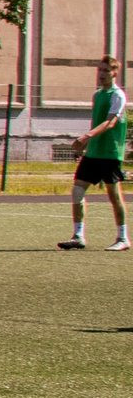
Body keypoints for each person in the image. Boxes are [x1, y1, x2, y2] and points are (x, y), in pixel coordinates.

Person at [61, 55, 128, 251]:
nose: (102, 74)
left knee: (114, 195)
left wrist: (86, 136)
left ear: (114, 73)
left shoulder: (118, 95)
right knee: (77, 191)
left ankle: (123, 238)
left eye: (106, 71)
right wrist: (86, 145)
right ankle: (78, 236)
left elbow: (110, 122)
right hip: (94, 153)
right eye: (100, 70)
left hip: (110, 153)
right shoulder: (97, 95)